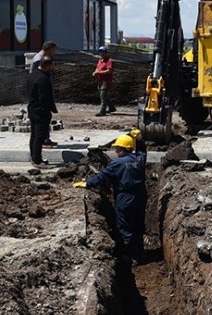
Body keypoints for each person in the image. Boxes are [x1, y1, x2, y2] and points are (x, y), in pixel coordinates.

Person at [74, 131, 147, 265]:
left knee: (125, 226)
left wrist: (86, 183)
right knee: (138, 224)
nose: (116, 150)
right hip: (141, 196)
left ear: (121, 149)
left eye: (117, 148)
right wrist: (139, 139)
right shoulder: (139, 159)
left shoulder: (117, 164)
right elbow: (142, 151)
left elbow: (102, 177)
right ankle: (140, 252)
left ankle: (131, 256)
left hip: (125, 198)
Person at [27, 56, 57, 167]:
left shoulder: (32, 75)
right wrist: (48, 110)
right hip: (41, 111)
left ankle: (33, 156)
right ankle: (37, 160)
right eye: (51, 65)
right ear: (48, 65)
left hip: (32, 108)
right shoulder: (43, 79)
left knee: (34, 135)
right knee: (39, 136)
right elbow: (45, 97)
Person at [30, 41, 59, 147]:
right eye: (54, 50)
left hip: (45, 91)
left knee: (46, 118)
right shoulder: (39, 59)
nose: (55, 52)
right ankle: (43, 140)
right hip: (40, 96)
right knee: (42, 119)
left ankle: (46, 138)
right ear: (49, 49)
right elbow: (36, 77)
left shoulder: (45, 59)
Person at [92, 45, 116, 116]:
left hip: (106, 81)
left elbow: (109, 71)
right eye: (100, 52)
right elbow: (97, 68)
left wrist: (98, 72)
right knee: (104, 95)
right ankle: (111, 107)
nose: (101, 54)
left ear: (106, 53)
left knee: (103, 95)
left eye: (103, 52)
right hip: (100, 80)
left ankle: (102, 111)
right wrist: (95, 72)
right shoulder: (100, 60)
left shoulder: (109, 61)